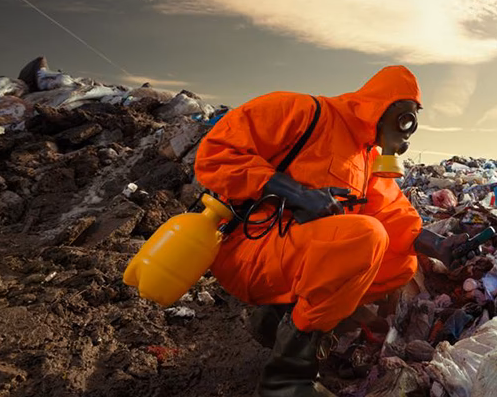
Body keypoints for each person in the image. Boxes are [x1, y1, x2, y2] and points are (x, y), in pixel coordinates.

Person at [193, 66, 467, 397]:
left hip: (295, 256)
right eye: (406, 120)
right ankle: (286, 381)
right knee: (366, 238)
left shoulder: (366, 156)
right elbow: (216, 154)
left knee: (400, 264)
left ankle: (281, 320)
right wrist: (294, 193)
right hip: (249, 249)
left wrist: (438, 244)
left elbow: (388, 211)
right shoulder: (305, 113)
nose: (407, 134)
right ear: (387, 109)